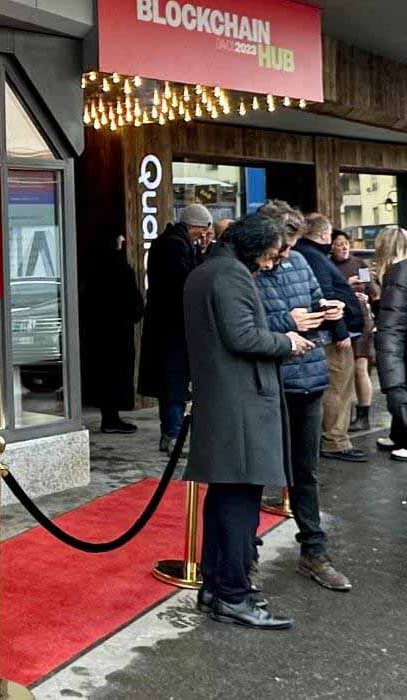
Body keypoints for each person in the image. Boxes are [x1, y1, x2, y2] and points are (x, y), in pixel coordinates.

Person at [183, 213, 314, 630]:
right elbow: (242, 337)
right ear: (255, 246)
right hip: (240, 406)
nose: (272, 263)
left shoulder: (209, 271)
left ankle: (216, 587)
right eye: (272, 255)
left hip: (226, 402)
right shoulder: (230, 275)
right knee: (239, 505)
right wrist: (287, 341)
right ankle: (234, 596)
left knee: (224, 499)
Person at [254, 213, 352, 591]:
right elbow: (244, 324)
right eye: (283, 246)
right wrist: (287, 320)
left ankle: (314, 551)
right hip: (268, 382)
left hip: (307, 378)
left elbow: (313, 302)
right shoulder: (251, 269)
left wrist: (328, 310)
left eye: (292, 246)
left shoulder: (299, 262)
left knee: (306, 472)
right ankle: (247, 556)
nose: (287, 254)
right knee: (257, 475)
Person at [139, 203, 212, 453]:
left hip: (164, 324)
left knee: (169, 383)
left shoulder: (168, 241)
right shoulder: (176, 245)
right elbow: (187, 281)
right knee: (175, 383)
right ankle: (174, 435)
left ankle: (169, 433)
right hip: (174, 327)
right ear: (196, 226)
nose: (202, 236)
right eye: (202, 231)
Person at [296, 213, 367, 462]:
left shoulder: (310, 255)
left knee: (341, 385)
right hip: (334, 334)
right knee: (338, 387)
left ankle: (334, 437)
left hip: (336, 331)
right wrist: (340, 330)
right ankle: (334, 440)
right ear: (326, 236)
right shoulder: (314, 257)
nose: (340, 245)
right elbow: (325, 296)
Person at [89, 234, 143, 433]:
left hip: (99, 332)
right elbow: (134, 303)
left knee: (105, 375)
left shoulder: (93, 268)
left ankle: (109, 416)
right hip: (119, 331)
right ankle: (112, 419)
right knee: (117, 375)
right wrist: (136, 312)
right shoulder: (121, 269)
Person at [330, 230, 377, 432]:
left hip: (361, 320)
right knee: (343, 370)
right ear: (331, 246)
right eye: (339, 244)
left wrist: (366, 294)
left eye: (346, 243)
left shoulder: (359, 264)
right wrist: (347, 287)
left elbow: (371, 289)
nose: (344, 247)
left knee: (360, 367)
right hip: (340, 321)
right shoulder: (328, 266)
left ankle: (363, 415)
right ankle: (342, 416)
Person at [373, 226, 407, 460]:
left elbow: (391, 324)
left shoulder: (398, 272)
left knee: (400, 387)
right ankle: (398, 434)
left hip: (399, 342)